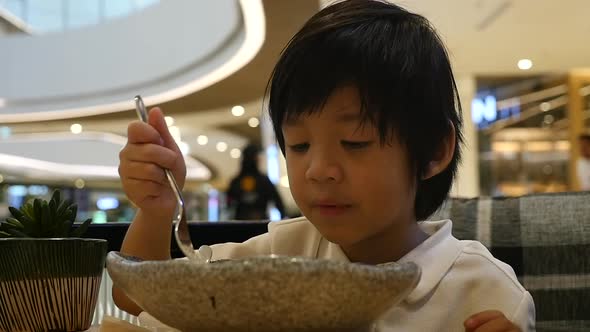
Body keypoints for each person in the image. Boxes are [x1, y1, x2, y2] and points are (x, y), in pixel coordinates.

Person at [115, 0, 535, 330]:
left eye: (354, 142)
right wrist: (156, 210)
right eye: (298, 145)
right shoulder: (281, 255)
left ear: (433, 151)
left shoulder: (483, 290)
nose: (318, 169)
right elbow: (142, 296)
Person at [226, 143, 286, 220]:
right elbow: (277, 201)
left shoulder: (236, 181)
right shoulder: (264, 180)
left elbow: (228, 203)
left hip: (240, 223)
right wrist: (283, 216)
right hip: (260, 223)